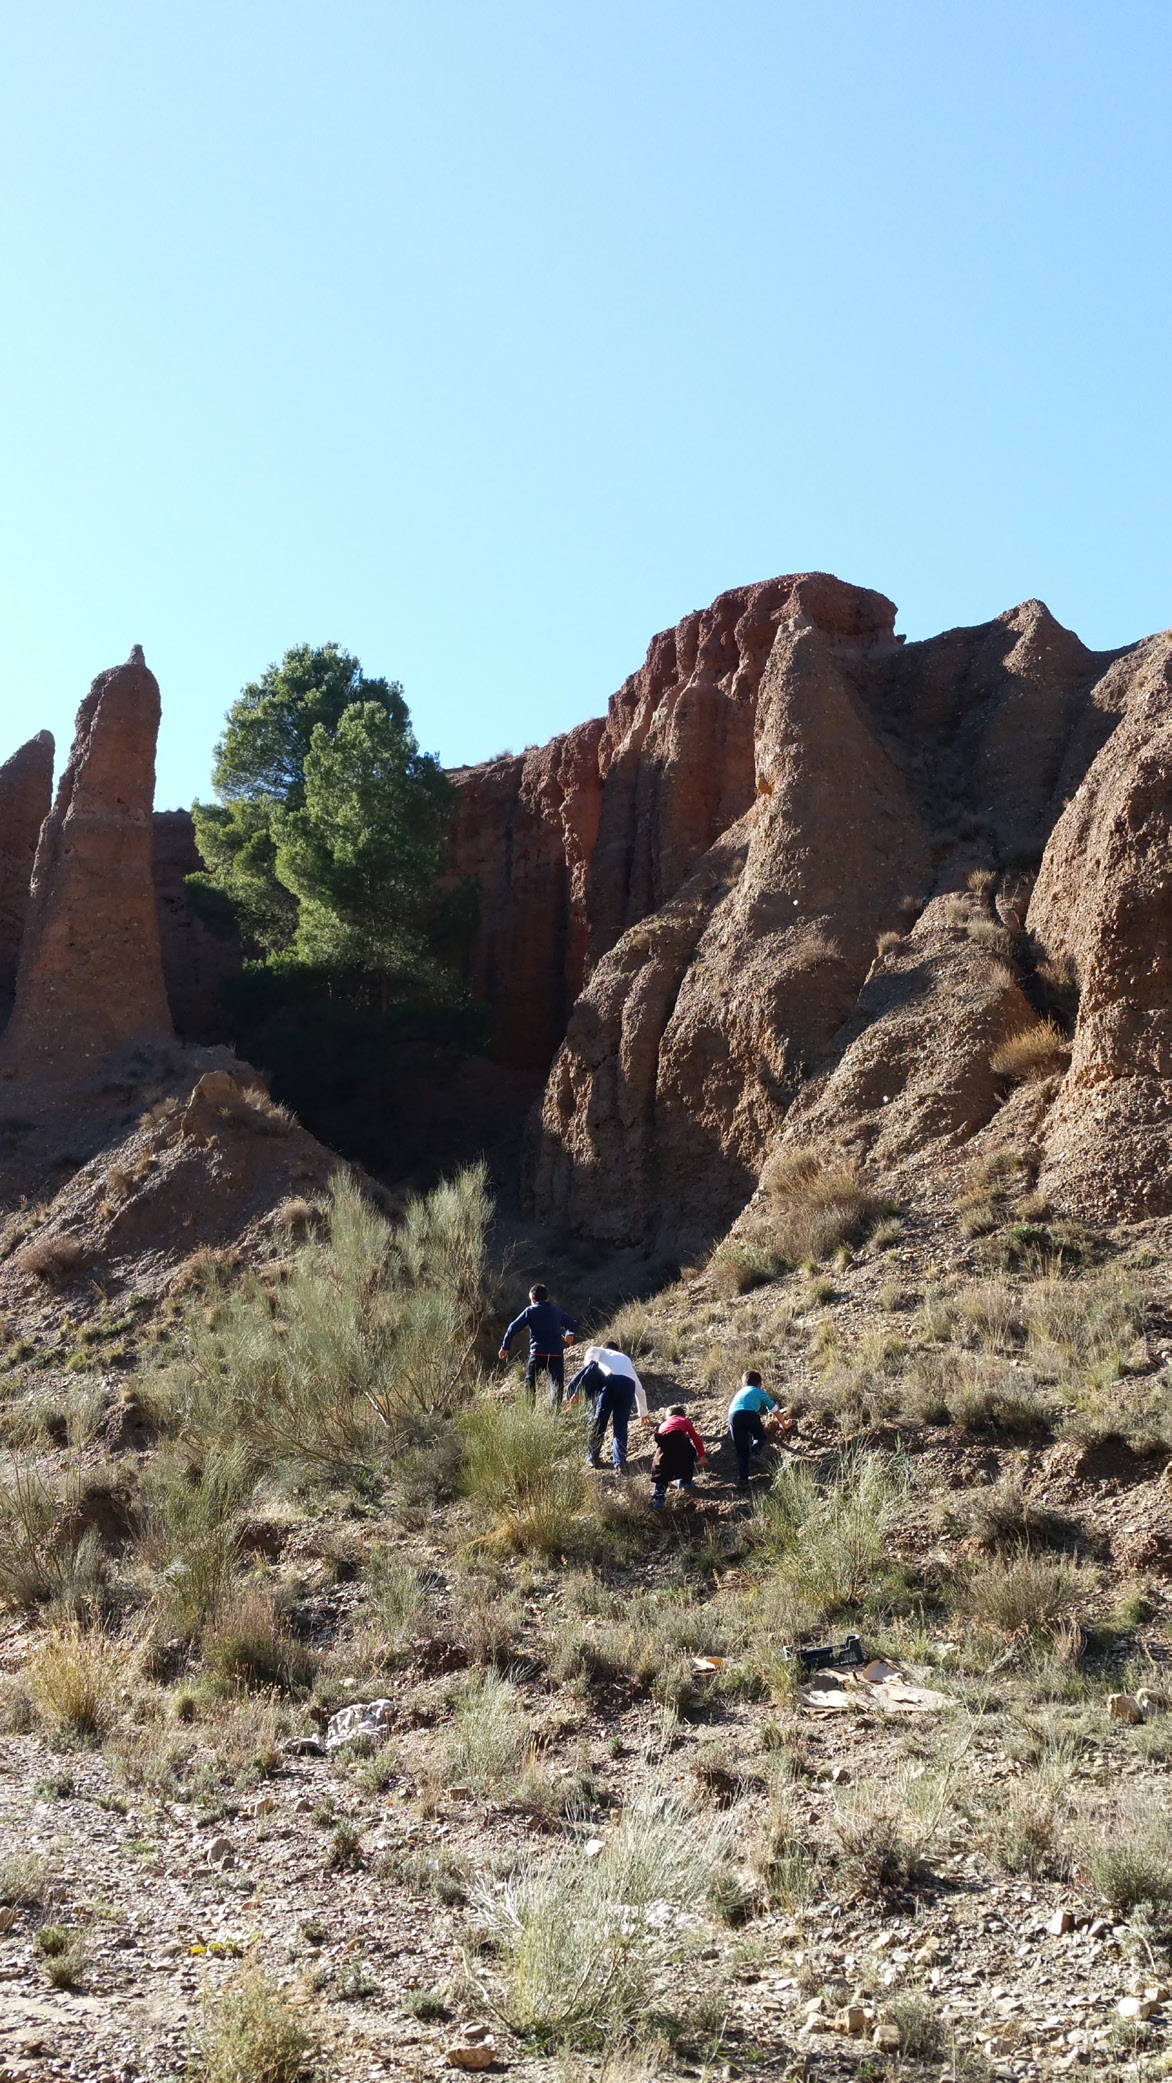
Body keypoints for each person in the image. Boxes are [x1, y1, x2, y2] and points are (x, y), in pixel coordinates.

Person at [499, 1284, 579, 1407]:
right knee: (556, 1385)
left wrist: (505, 1347)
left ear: (533, 1299)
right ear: (547, 1298)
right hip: (555, 1354)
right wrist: (569, 1333)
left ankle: (529, 1412)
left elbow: (512, 1328)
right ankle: (554, 1415)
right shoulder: (556, 1311)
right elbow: (573, 1325)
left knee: (530, 1382)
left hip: (537, 1353)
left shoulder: (530, 1311)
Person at [577, 1344, 648, 1471]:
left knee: (600, 1421)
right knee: (621, 1425)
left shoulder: (601, 1350)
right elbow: (640, 1389)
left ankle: (593, 1458)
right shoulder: (625, 1359)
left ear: (605, 1347)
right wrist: (644, 1413)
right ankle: (620, 1462)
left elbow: (591, 1355)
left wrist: (585, 1376)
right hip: (628, 1385)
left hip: (611, 1381)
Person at [727, 1369, 779, 1492]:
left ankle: (743, 1481)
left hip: (733, 1416)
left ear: (744, 1383)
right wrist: (784, 1424)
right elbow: (774, 1409)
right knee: (760, 1437)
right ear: (760, 1384)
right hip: (749, 1414)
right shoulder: (759, 1391)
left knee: (742, 1451)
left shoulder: (739, 1393)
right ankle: (755, 1453)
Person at [650, 1405, 708, 1508]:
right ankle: (685, 1482)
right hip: (680, 1442)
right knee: (690, 1452)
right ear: (683, 1415)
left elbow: (658, 1445)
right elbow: (696, 1438)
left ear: (668, 1416)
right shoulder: (684, 1420)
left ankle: (659, 1498)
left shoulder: (662, 1425)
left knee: (661, 1470)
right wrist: (702, 1456)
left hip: (664, 1448)